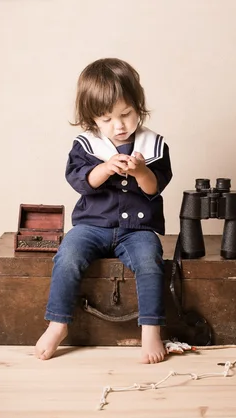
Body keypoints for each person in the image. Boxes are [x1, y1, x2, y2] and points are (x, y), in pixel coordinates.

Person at [35, 58, 173, 364]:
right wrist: (105, 168)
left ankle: (151, 329)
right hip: (92, 225)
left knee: (151, 263)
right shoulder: (87, 144)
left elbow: (154, 188)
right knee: (68, 255)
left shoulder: (154, 145)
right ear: (92, 119)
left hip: (137, 231)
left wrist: (139, 172)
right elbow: (81, 182)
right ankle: (58, 324)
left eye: (126, 114)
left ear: (139, 107)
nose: (119, 125)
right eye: (107, 118)